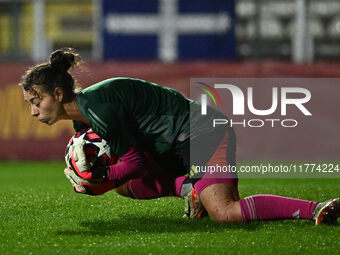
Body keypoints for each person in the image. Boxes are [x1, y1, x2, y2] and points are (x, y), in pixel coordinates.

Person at [20, 48, 339, 225]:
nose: (34, 112)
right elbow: (126, 169)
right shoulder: (85, 120)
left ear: (58, 94)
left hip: (203, 135)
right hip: (173, 149)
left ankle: (316, 208)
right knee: (122, 187)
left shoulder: (99, 107)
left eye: (36, 102)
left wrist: (97, 176)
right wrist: (97, 182)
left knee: (226, 213)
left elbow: (130, 164)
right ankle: (189, 189)